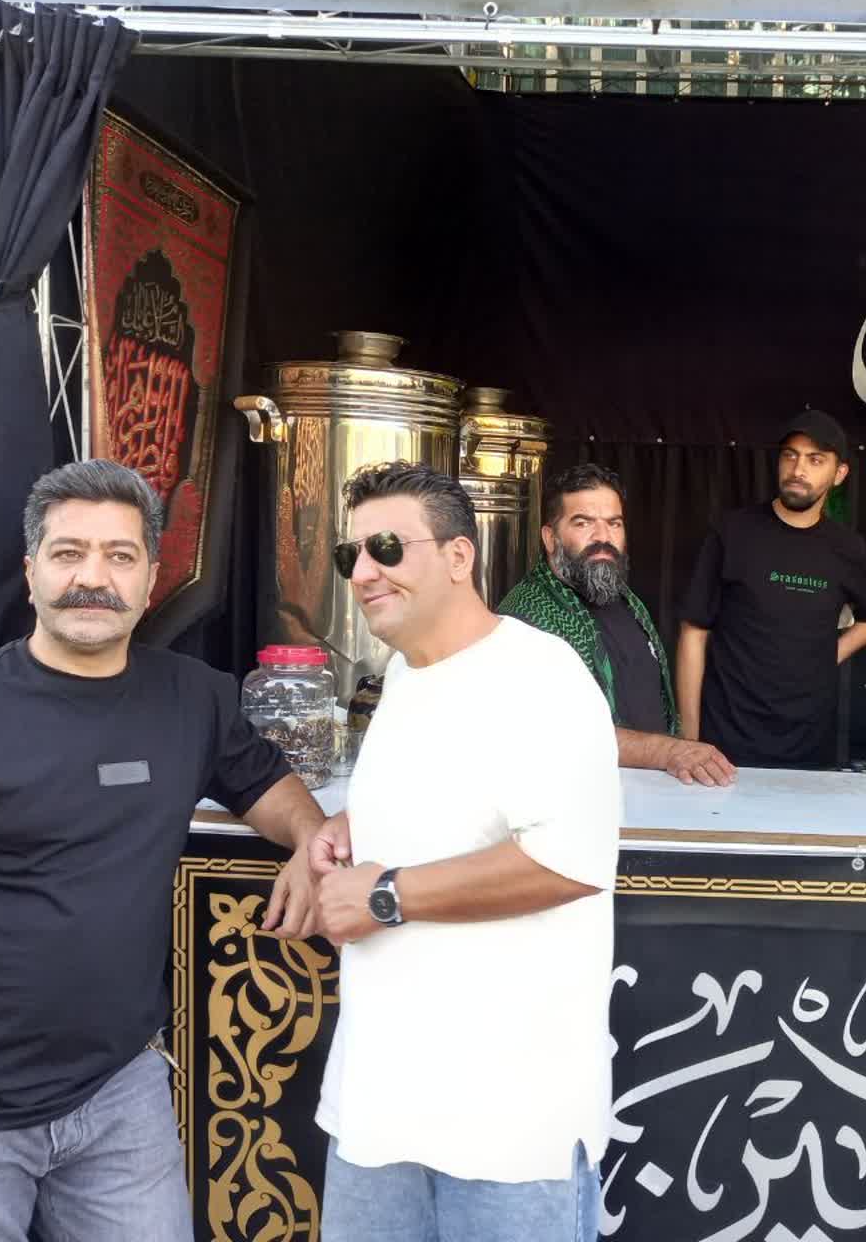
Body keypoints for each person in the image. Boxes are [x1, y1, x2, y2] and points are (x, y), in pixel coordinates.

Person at [0, 459, 327, 1242]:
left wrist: (308, 837)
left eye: (119, 555)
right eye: (68, 553)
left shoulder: (192, 697)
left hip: (117, 1094)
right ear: (30, 570)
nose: (92, 578)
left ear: (151, 578)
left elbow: (266, 783)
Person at [311, 461, 619, 1242]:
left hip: (506, 1127)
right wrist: (344, 827)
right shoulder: (404, 676)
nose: (365, 571)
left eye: (387, 547)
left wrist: (383, 895)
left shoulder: (539, 675)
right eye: (352, 554)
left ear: (458, 556)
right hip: (380, 1108)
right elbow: (445, 801)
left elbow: (569, 860)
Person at [677, 409, 866, 770]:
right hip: (725, 746)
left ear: (839, 474)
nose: (798, 470)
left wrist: (830, 654)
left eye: (815, 459)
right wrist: (690, 740)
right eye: (790, 456)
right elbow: (693, 633)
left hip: (808, 749)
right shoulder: (733, 532)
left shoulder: (844, 547)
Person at [499, 462, 736, 786]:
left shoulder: (626, 600)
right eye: (583, 523)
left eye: (614, 523)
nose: (603, 537)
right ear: (550, 537)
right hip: (577, 801)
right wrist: (669, 751)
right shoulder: (525, 617)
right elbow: (555, 732)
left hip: (652, 798)